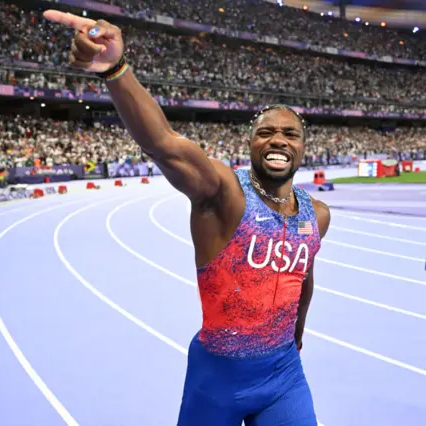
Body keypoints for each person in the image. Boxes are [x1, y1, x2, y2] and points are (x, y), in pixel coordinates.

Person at [44, 10, 331, 426]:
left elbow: (302, 276)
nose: (278, 140)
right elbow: (165, 144)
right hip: (216, 381)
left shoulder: (316, 215)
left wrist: (297, 333)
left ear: (303, 148)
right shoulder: (223, 193)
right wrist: (115, 70)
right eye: (266, 131)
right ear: (250, 143)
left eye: (290, 133)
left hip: (284, 375)